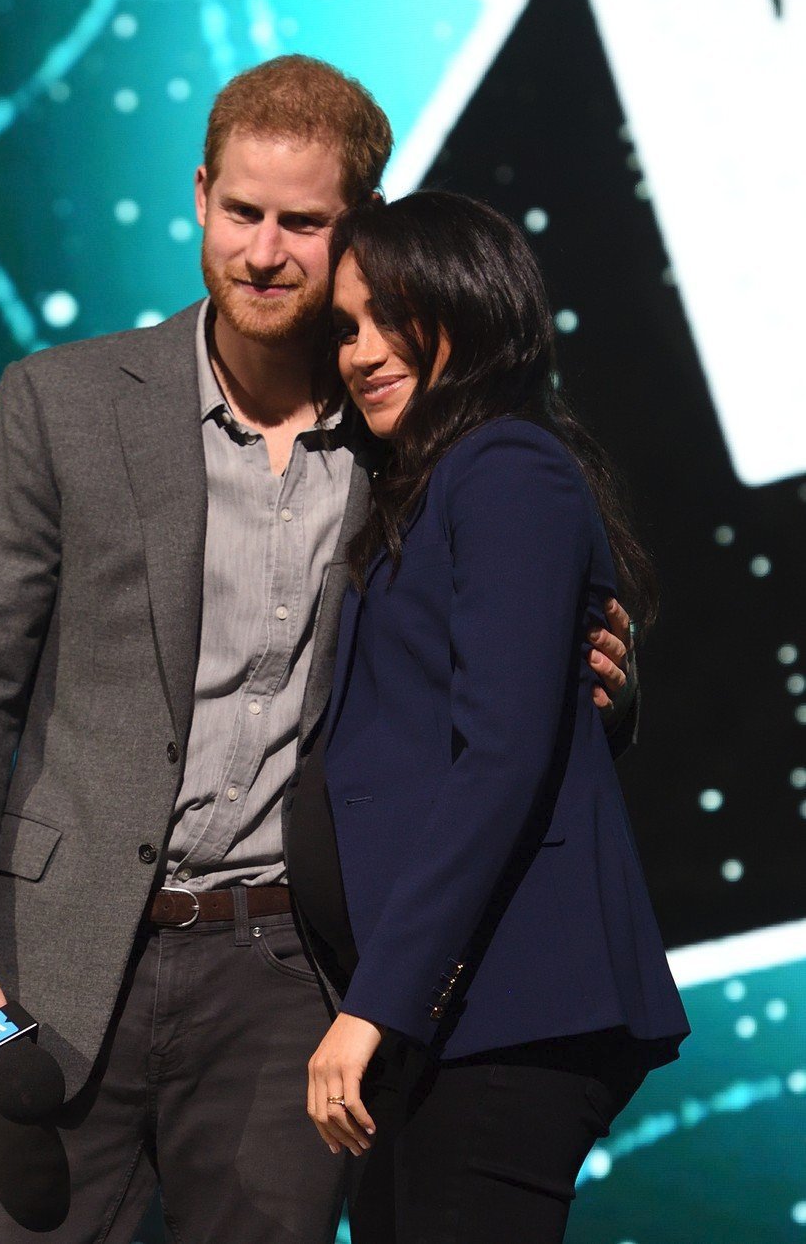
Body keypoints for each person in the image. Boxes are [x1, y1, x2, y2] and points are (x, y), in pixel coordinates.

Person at [0, 58, 636, 1244]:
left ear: (359, 229)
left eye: (303, 222)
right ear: (199, 195)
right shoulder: (64, 403)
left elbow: (483, 688)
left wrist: (597, 680)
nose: (265, 250)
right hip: (56, 957)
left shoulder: (410, 441)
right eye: (242, 211)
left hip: (286, 973)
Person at [299, 193, 689, 1243]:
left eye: (392, 315)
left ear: (469, 309)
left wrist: (376, 1000)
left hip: (506, 1005)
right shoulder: (434, 482)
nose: (361, 352)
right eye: (344, 326)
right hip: (455, 1015)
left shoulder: (502, 468)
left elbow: (502, 755)